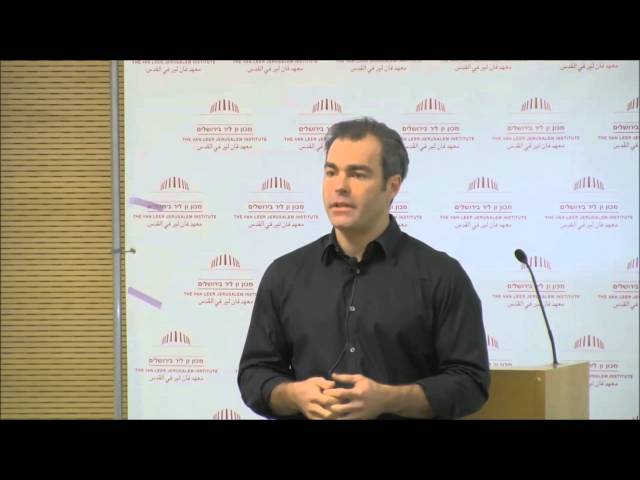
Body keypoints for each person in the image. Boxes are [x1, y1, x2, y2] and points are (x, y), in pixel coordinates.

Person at [237, 117, 489, 419]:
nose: (340, 186)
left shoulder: (441, 276)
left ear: (392, 186)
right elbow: (255, 373)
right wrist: (293, 395)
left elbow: (470, 382)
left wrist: (389, 399)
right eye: (331, 172)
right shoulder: (285, 274)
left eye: (357, 174)